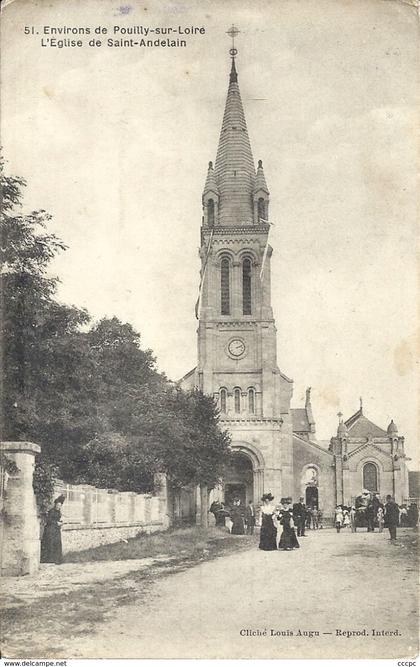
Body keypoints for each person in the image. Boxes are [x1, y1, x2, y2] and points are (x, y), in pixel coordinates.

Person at [40, 494, 65, 564]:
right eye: (57, 505)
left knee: (57, 543)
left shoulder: (58, 512)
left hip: (56, 530)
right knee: (50, 544)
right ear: (55, 505)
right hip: (50, 530)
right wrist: (57, 523)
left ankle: (56, 559)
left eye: (60, 506)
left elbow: (57, 519)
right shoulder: (52, 511)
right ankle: (49, 559)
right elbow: (49, 520)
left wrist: (61, 522)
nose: (58, 507)